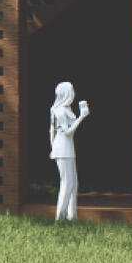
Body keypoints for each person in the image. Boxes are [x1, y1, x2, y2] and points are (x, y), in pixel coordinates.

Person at [49, 81, 91, 221]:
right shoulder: (60, 111)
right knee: (67, 183)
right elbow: (67, 132)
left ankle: (71, 216)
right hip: (63, 148)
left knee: (73, 182)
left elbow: (52, 131)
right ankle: (59, 218)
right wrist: (81, 117)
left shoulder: (63, 109)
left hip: (65, 147)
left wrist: (52, 146)